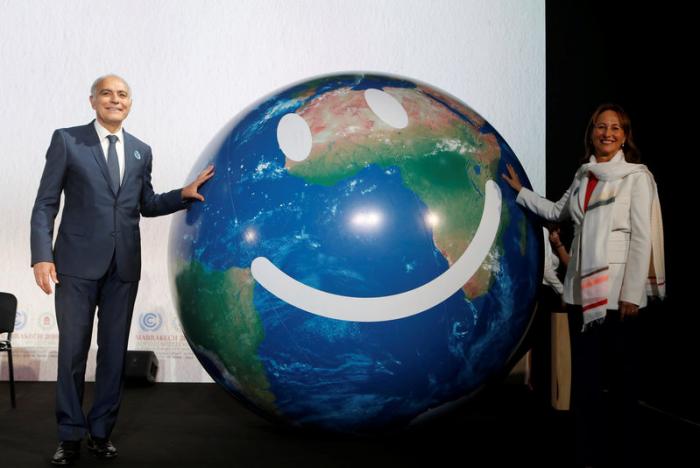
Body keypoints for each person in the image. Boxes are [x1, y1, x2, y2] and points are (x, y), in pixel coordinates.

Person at [30, 75, 214, 465]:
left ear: (130, 102)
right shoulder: (67, 140)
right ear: (93, 100)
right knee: (72, 354)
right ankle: (69, 435)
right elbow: (46, 202)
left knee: (113, 354)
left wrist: (182, 195)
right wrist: (41, 255)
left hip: (123, 267)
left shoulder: (140, 150)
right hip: (75, 266)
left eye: (123, 94)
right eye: (108, 94)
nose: (116, 100)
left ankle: (101, 432)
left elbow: (144, 203)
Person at [502, 103, 665, 467]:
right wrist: (520, 191)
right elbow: (558, 213)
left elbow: (641, 239)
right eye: (601, 127)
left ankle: (627, 453)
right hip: (580, 294)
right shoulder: (583, 174)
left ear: (625, 136)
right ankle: (588, 453)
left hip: (619, 294)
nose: (607, 133)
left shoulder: (636, 177)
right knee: (586, 383)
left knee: (623, 384)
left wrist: (631, 294)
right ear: (591, 132)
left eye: (615, 128)